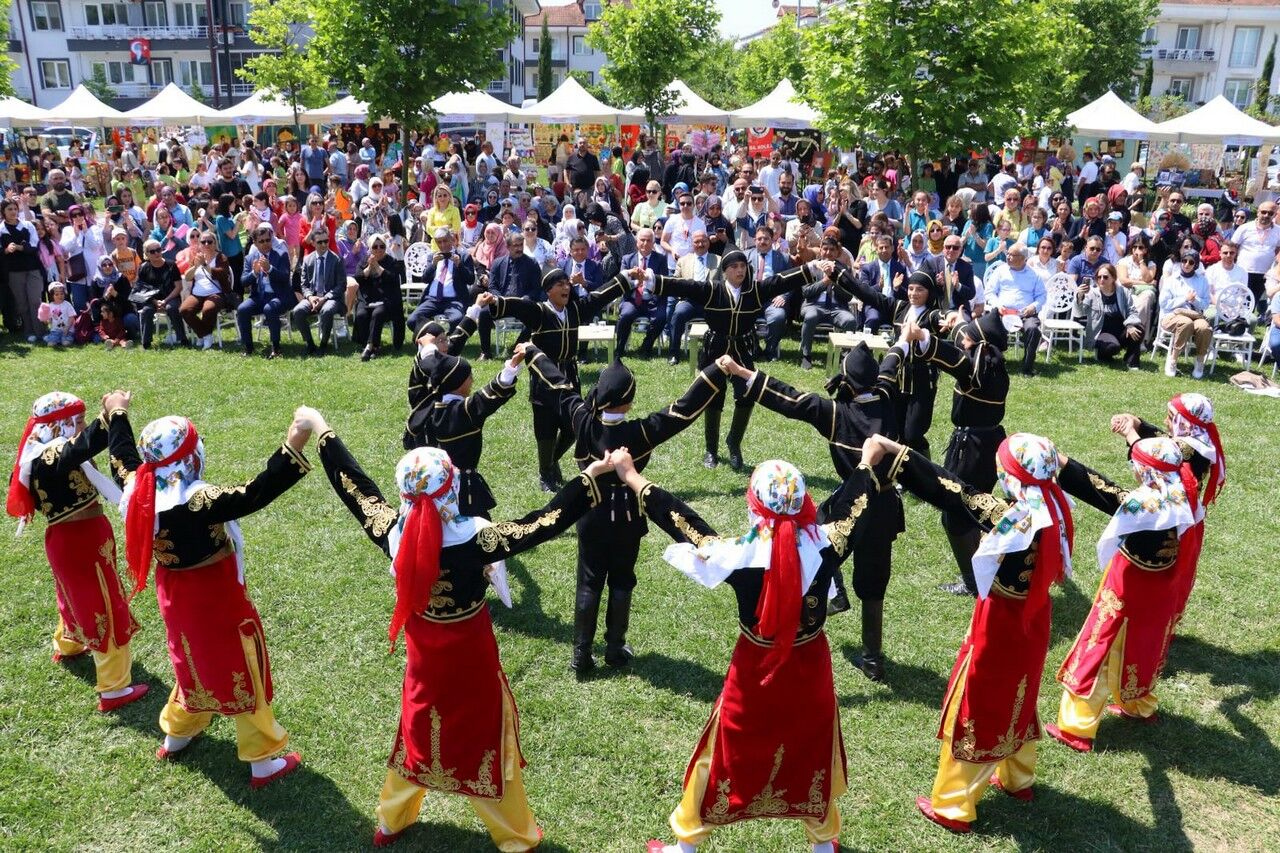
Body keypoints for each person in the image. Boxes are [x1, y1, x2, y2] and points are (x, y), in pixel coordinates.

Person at [304, 408, 615, 850]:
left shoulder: (393, 532)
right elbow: (546, 521)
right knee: (484, 738)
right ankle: (517, 836)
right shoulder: (480, 538)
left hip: (424, 657)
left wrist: (322, 429)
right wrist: (592, 478)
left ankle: (392, 821)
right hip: (471, 654)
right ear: (452, 489)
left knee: (417, 730)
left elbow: (357, 491)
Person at [631, 439, 898, 853]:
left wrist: (633, 478)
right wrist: (865, 462)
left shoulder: (738, 556)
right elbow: (854, 508)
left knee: (723, 752)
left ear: (754, 505)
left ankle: (685, 848)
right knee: (812, 751)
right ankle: (823, 846)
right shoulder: (827, 544)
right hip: (810, 665)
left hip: (755, 669)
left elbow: (684, 522)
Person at [110, 397, 309, 787]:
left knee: (191, 663)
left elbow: (121, 458)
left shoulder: (139, 490)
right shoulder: (198, 500)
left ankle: (177, 735)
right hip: (214, 594)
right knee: (242, 665)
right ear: (189, 457)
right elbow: (255, 492)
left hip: (174, 593)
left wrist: (118, 413)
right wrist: (295, 442)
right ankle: (262, 760)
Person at [889, 433, 1073, 834]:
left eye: (1004, 468)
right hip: (1035, 616)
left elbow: (960, 494)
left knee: (977, 701)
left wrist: (899, 456)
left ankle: (954, 805)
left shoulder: (1017, 519)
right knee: (1020, 692)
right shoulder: (1055, 507)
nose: (1000, 473)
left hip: (1002, 622)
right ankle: (1018, 779)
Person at [528, 347, 726, 673]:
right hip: (628, 520)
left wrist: (535, 354)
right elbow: (684, 409)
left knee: (588, 582)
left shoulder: (584, 421)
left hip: (590, 516)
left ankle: (580, 655)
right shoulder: (640, 432)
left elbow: (559, 386)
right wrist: (717, 371)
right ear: (628, 401)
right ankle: (615, 650)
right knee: (622, 581)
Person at [724, 341, 908, 678]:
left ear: (847, 383)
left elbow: (791, 400)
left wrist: (741, 372)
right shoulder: (887, 395)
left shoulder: (838, 414)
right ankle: (872, 660)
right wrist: (904, 341)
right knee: (874, 579)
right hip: (884, 505)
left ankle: (832, 594)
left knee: (815, 540)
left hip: (850, 502)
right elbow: (891, 364)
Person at [1047, 437, 1198, 753]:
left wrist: (1062, 462)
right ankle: (1139, 704)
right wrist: (1064, 461)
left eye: (1137, 465)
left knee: (1101, 644)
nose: (1134, 470)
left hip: (1129, 582)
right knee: (1145, 644)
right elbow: (1111, 491)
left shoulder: (1147, 505)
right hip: (1161, 585)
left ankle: (1077, 726)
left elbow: (1106, 494)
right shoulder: (1185, 493)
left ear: (1148, 471)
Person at [6, 391, 146, 710]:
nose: (81, 426)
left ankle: (68, 644)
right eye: (77, 421)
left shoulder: (32, 454)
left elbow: (78, 447)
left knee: (72, 597)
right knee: (105, 606)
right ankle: (113, 689)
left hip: (66, 540)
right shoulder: (49, 455)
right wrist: (114, 414)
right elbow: (86, 444)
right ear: (59, 425)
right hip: (81, 540)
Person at [641, 250, 811, 471]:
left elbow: (780, 281)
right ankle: (711, 449)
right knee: (713, 397)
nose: (740, 270)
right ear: (725, 271)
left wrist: (811, 269)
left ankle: (734, 442)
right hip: (715, 349)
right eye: (734, 267)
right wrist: (651, 279)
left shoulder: (756, 291)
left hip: (742, 349)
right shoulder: (712, 290)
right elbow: (683, 285)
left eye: (743, 266)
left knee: (746, 395)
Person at [489, 267, 632, 490]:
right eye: (560, 285)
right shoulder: (539, 312)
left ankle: (552, 461)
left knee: (573, 427)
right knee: (545, 428)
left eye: (567, 283)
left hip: (569, 376)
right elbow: (517, 305)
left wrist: (625, 277)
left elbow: (600, 295)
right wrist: (494, 300)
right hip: (544, 379)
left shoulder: (575, 309)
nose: (566, 288)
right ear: (548, 291)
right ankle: (545, 475)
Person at [902, 311, 1010, 596]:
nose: (962, 339)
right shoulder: (991, 360)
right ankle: (986, 569)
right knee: (974, 506)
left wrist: (922, 336)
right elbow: (967, 338)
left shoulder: (977, 368)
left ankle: (975, 582)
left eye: (966, 337)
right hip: (988, 443)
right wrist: (957, 318)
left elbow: (953, 357)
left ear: (978, 343)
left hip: (971, 449)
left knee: (955, 515)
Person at [1109, 393, 1224, 621]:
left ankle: (1147, 622)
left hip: (1170, 522)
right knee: (1175, 577)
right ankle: (1162, 620)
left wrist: (1132, 433)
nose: (1165, 421)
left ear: (1186, 424)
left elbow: (1155, 454)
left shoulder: (1188, 450)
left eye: (1171, 417)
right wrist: (1137, 422)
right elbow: (1166, 440)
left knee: (1162, 577)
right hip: (1187, 518)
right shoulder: (1201, 441)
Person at [794, 237, 861, 369]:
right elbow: (806, 292)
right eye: (825, 249)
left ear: (837, 252)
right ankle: (806, 355)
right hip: (813, 305)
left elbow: (848, 297)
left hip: (837, 308)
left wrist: (835, 282)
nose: (828, 252)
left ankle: (845, 356)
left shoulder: (844, 269)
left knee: (850, 321)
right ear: (820, 250)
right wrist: (825, 282)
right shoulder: (811, 267)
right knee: (811, 316)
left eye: (832, 250)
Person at [983, 243, 1045, 376]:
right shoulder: (1000, 271)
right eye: (1008, 254)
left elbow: (1042, 296)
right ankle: (993, 361)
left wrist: (1033, 307)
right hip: (1002, 312)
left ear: (1023, 258)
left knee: (1033, 329)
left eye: (1012, 255)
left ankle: (1027, 367)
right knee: (988, 326)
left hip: (1025, 314)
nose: (1008, 257)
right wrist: (997, 305)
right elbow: (989, 292)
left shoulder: (1034, 275)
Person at [236, 225, 295, 358]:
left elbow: (285, 278)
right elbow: (244, 282)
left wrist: (270, 269)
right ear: (255, 243)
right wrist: (255, 273)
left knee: (270, 309)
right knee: (242, 309)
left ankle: (276, 347)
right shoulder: (250, 258)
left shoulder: (281, 255)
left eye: (268, 240)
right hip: (259, 296)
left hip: (280, 295)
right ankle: (248, 348)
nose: (265, 244)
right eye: (261, 241)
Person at [1075, 263, 1142, 369]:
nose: (1101, 280)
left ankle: (1132, 361)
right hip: (1101, 333)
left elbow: (1132, 311)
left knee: (1138, 328)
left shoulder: (1123, 292)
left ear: (1113, 278)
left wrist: (1130, 325)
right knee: (1112, 347)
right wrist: (1079, 296)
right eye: (1099, 277)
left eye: (1105, 277)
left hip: (1121, 331)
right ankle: (1102, 354)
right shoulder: (1091, 293)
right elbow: (1079, 312)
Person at [616, 228, 670, 359]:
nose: (645, 244)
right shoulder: (627, 259)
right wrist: (637, 282)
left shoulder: (661, 259)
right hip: (632, 300)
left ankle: (646, 346)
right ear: (636, 242)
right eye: (642, 240)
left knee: (661, 317)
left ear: (653, 243)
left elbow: (664, 283)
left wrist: (649, 280)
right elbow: (622, 283)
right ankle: (620, 348)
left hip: (653, 299)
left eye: (649, 241)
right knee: (625, 315)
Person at [1158, 250, 1212, 379]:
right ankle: (1173, 359)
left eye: (1191, 262)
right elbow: (1163, 303)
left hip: (1195, 315)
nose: (1187, 264)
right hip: (1172, 315)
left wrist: (1195, 300)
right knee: (1185, 323)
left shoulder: (1202, 281)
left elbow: (1205, 304)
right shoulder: (1171, 280)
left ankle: (1199, 360)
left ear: (1196, 265)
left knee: (1204, 327)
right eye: (1184, 261)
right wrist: (1185, 299)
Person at [291, 228, 345, 355]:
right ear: (313, 243)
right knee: (297, 311)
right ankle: (310, 343)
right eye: (320, 242)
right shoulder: (307, 260)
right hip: (313, 297)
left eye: (326, 241)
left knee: (326, 310)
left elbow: (341, 285)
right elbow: (303, 285)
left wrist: (325, 298)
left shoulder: (336, 259)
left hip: (331, 298)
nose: (324, 244)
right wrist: (310, 297)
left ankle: (324, 344)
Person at [354, 233, 406, 360]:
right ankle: (369, 345)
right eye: (375, 247)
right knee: (361, 314)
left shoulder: (391, 261)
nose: (379, 249)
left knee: (378, 313)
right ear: (370, 248)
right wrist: (369, 267)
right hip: (368, 298)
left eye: (382, 246)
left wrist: (377, 267)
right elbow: (359, 278)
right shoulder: (365, 259)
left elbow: (392, 278)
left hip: (387, 300)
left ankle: (370, 346)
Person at [179, 231, 233, 350]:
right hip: (197, 293)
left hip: (216, 293)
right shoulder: (197, 257)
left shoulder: (221, 257)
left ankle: (204, 336)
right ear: (199, 244)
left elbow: (223, 274)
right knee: (184, 309)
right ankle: (205, 334)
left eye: (210, 242)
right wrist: (196, 266)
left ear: (215, 243)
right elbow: (187, 277)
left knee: (208, 309)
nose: (206, 244)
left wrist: (205, 265)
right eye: (203, 242)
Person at [2, 198, 43, 341]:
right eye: (9, 209)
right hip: (13, 271)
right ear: (3, 212)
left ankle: (40, 331)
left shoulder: (27, 225)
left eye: (15, 209)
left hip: (33, 268)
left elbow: (33, 247)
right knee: (22, 303)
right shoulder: (1, 230)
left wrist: (19, 247)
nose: (13, 212)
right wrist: (7, 250)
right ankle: (28, 331)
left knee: (34, 300)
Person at [133, 240, 185, 349]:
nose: (157, 253)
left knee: (172, 308)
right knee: (147, 310)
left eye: (158, 250)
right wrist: (154, 301)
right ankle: (146, 343)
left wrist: (165, 300)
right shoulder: (143, 267)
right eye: (152, 251)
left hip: (170, 296)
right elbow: (140, 289)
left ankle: (182, 338)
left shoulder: (171, 264)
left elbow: (179, 286)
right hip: (151, 299)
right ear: (146, 254)